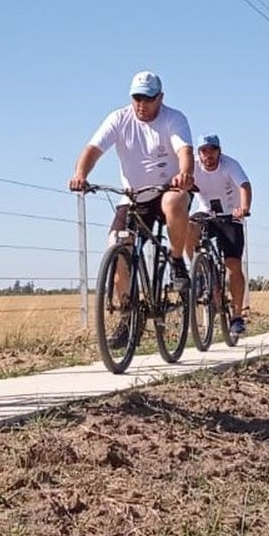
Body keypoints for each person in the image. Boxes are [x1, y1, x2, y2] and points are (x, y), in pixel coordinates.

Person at [68, 71, 195, 348]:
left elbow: (185, 151)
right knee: (117, 246)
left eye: (148, 99)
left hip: (167, 189)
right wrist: (80, 174)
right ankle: (128, 319)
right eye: (137, 98)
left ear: (160, 98)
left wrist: (185, 174)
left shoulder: (174, 119)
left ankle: (175, 261)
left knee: (174, 202)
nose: (142, 104)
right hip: (133, 196)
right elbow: (93, 149)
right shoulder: (119, 118)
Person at [187, 134, 252, 336]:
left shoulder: (229, 165)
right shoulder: (194, 166)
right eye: (204, 151)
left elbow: (244, 186)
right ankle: (200, 272)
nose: (209, 155)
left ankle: (237, 316)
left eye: (213, 150)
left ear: (219, 151)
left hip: (230, 215)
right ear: (199, 154)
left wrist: (243, 207)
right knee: (188, 227)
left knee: (233, 264)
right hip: (206, 212)